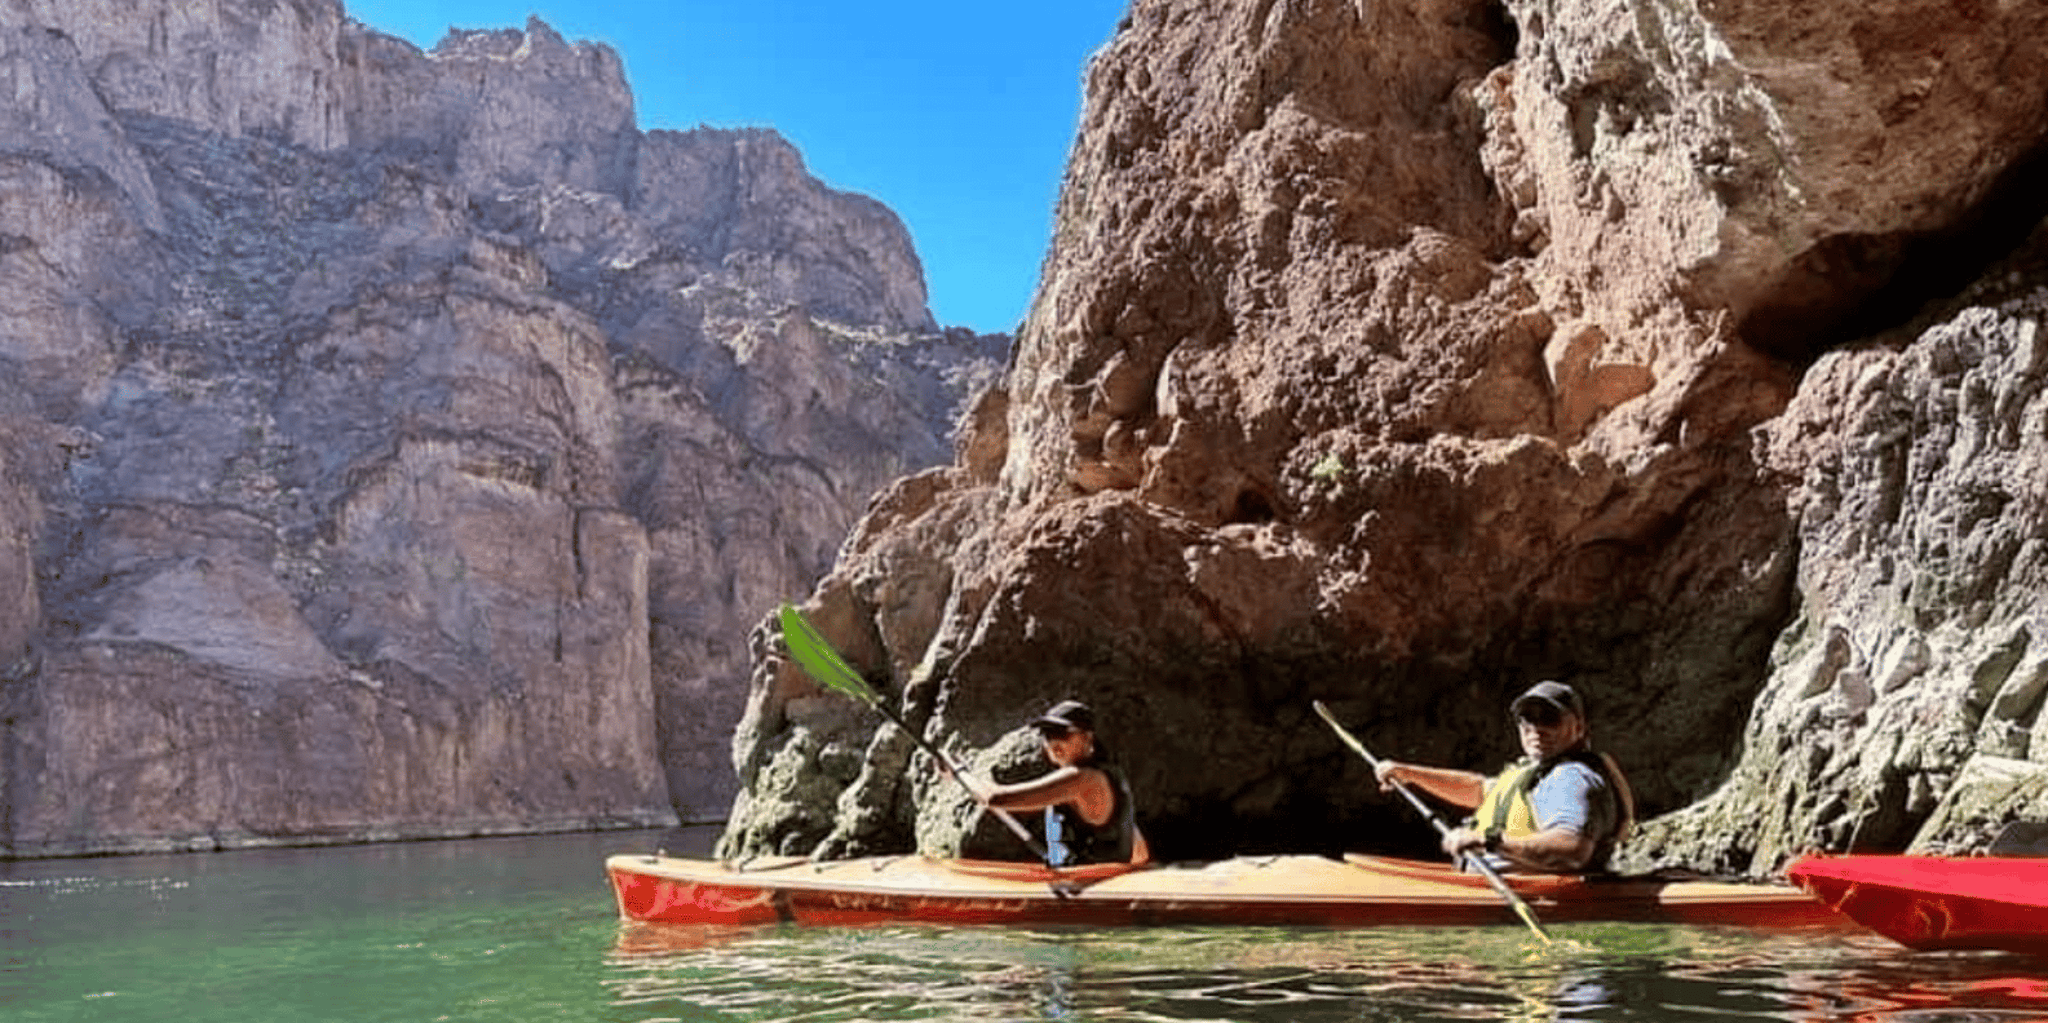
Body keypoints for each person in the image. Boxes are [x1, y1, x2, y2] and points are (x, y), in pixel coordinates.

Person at [1373, 680, 1634, 874]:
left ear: (1578, 727)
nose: (1536, 728)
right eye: (1528, 719)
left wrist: (1486, 841)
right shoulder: (1540, 772)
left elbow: (1573, 847)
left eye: (1550, 718)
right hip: (1492, 881)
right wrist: (1408, 773)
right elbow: (1479, 791)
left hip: (1532, 893)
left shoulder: (1570, 778)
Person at [949, 699, 1151, 866]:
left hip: (1084, 895)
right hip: (1088, 887)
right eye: (1047, 734)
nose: (1053, 742)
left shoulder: (1080, 778)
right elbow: (1139, 850)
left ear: (1088, 738)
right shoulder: (1110, 777)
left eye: (1062, 733)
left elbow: (994, 798)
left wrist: (959, 772)